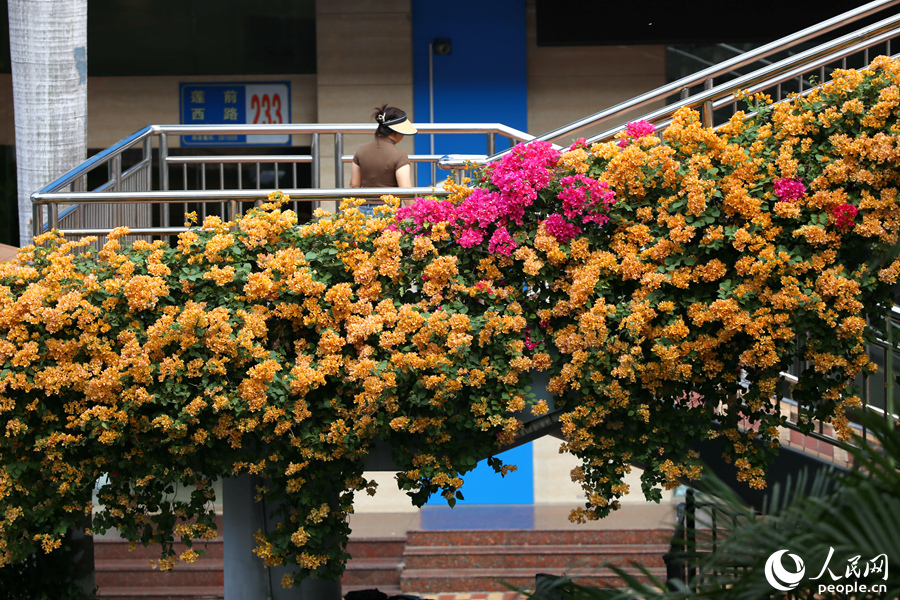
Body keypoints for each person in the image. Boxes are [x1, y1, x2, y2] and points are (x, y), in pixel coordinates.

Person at [350, 105, 417, 189]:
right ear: (397, 132)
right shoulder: (400, 156)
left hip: (365, 202)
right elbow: (406, 191)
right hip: (390, 202)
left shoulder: (361, 150)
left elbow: (354, 185)